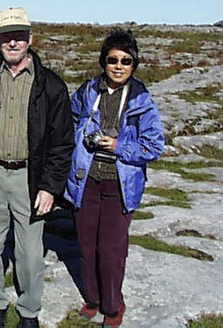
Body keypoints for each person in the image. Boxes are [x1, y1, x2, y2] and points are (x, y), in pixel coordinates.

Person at [0, 7, 75, 328]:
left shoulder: (52, 86)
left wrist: (50, 187)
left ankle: (29, 311)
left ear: (30, 39)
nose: (13, 42)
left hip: (29, 178)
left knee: (30, 252)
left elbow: (62, 144)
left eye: (19, 36)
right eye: (6, 36)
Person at [64, 29, 165, 328]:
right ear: (103, 62)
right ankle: (92, 300)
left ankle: (113, 305)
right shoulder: (87, 92)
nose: (118, 66)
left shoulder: (142, 101)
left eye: (126, 61)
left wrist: (119, 146)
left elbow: (154, 146)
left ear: (134, 65)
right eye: (112, 60)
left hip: (120, 186)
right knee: (85, 245)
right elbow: (69, 122)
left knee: (110, 250)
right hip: (86, 181)